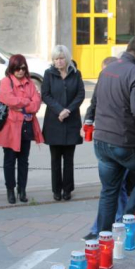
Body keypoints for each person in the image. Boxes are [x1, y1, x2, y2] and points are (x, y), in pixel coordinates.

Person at [94, 36, 135, 232]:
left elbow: (95, 101)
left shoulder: (108, 70)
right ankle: (125, 221)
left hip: (102, 140)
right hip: (124, 141)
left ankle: (103, 237)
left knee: (109, 191)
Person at [82, 56, 128, 241]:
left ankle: (102, 227)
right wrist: (88, 122)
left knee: (113, 188)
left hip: (118, 142)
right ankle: (119, 220)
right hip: (107, 141)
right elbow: (93, 104)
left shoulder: (119, 85)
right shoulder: (106, 84)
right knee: (117, 187)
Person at [0, 55, 43, 204]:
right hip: (10, 127)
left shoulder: (30, 83)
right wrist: (26, 102)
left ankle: (22, 190)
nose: (20, 71)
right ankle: (10, 190)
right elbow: (8, 100)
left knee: (24, 161)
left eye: (23, 68)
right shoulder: (6, 82)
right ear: (11, 68)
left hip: (26, 125)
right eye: (17, 68)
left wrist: (21, 105)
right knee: (9, 160)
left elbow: (36, 104)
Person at [41, 45, 85, 201]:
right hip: (54, 121)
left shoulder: (76, 73)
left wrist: (68, 110)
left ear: (66, 58)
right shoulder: (48, 74)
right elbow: (45, 95)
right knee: (55, 159)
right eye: (55, 59)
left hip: (71, 121)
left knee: (69, 158)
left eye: (61, 58)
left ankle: (68, 189)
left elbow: (80, 95)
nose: (58, 61)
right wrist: (60, 110)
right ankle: (56, 189)